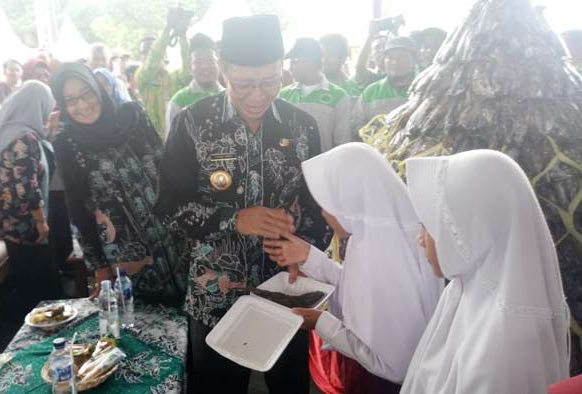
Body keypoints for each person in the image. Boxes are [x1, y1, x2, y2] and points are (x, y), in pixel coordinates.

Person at [156, 15, 330, 394]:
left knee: (289, 385)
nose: (258, 95)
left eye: (270, 82)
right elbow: (167, 208)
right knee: (217, 387)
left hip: (287, 291)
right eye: (244, 84)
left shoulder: (302, 127)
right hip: (216, 297)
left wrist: (305, 251)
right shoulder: (192, 124)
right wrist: (234, 219)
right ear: (222, 69)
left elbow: (320, 210)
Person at [264, 143, 443, 393]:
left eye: (328, 204)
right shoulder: (382, 231)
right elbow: (359, 291)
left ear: (351, 201)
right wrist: (309, 256)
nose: (325, 214)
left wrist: (320, 322)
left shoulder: (383, 251)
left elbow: (394, 366)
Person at [401, 150, 570, 393]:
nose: (420, 239)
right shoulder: (465, 289)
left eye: (428, 226)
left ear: (472, 229)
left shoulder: (506, 344)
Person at [50, 62, 185, 305]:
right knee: (146, 318)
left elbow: (166, 168)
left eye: (86, 94)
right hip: (124, 250)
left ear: (97, 88)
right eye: (70, 100)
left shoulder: (132, 116)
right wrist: (99, 266)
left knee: (187, 304)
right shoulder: (66, 142)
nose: (81, 106)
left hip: (169, 233)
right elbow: (77, 207)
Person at [0, 81, 63, 313]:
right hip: (25, 224)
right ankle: (46, 330)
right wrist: (41, 221)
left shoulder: (10, 130)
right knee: (42, 286)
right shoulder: (25, 138)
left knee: (26, 279)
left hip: (11, 221)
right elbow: (26, 185)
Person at [279, 38, 353, 151]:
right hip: (291, 166)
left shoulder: (339, 97)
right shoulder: (284, 94)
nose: (290, 68)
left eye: (294, 61)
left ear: (311, 61)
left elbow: (342, 144)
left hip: (323, 166)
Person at [136, 7, 193, 136]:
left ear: (165, 55)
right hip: (156, 143)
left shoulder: (175, 77)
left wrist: (183, 36)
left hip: (180, 140)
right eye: (145, 53)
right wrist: (168, 28)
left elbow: (189, 71)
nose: (149, 55)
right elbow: (152, 63)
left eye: (152, 50)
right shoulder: (142, 77)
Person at [351, 36, 418, 141]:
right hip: (375, 155)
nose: (395, 62)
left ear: (414, 60)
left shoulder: (425, 90)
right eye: (390, 57)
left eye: (402, 57)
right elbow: (356, 127)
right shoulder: (371, 91)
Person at [165, 33, 224, 138]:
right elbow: (172, 143)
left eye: (210, 60)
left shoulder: (230, 97)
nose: (205, 66)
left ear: (219, 64)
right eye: (198, 62)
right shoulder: (179, 101)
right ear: (190, 67)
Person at [354, 21, 389, 88]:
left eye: (385, 46)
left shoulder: (401, 75)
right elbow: (359, 67)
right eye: (377, 48)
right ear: (371, 56)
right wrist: (370, 36)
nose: (382, 50)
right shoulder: (370, 77)